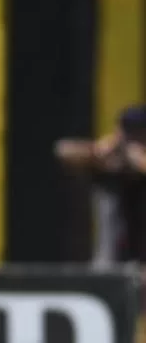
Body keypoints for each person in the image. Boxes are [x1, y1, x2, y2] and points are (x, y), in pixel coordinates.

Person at [55, 105, 146, 266]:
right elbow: (63, 151)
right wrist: (99, 150)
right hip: (111, 260)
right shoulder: (111, 162)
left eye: (139, 131)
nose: (134, 136)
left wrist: (139, 159)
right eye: (129, 130)